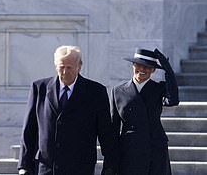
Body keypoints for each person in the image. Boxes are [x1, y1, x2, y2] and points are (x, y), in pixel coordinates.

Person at [18, 45, 118, 175]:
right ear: (55, 66)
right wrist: (24, 166)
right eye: (61, 67)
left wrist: (110, 166)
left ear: (79, 66)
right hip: (46, 167)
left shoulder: (96, 92)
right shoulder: (39, 88)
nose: (65, 72)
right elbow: (29, 130)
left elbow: (106, 133)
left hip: (79, 168)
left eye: (69, 67)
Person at [111, 48, 179, 175]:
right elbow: (114, 128)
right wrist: (111, 158)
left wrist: (168, 70)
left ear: (153, 70)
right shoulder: (118, 91)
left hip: (154, 149)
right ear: (133, 65)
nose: (142, 70)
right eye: (139, 65)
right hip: (129, 150)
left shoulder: (159, 88)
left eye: (147, 67)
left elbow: (173, 100)